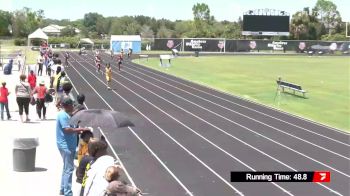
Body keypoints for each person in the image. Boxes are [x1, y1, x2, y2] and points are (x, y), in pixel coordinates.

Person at [56, 97, 90, 196]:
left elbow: (72, 125)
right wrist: (81, 129)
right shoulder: (62, 115)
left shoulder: (67, 114)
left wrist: (78, 123)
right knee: (69, 169)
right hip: (66, 145)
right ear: (68, 105)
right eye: (72, 105)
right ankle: (68, 192)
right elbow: (67, 129)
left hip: (68, 144)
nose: (73, 106)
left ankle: (63, 189)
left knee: (66, 168)